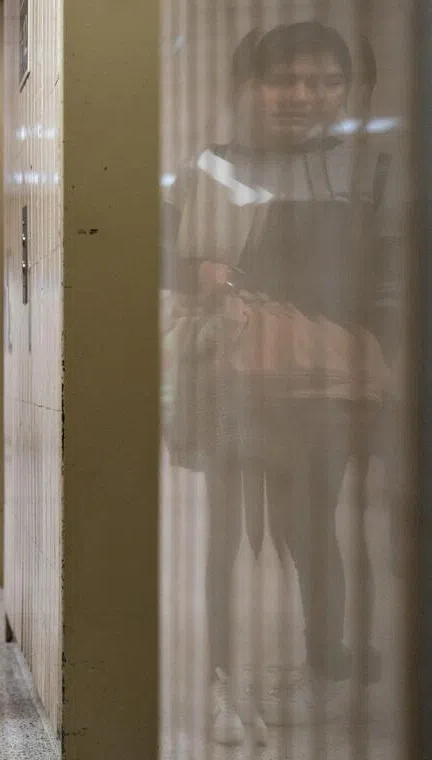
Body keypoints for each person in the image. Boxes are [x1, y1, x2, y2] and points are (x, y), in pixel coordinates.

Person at [167, 22, 394, 743]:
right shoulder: (212, 167)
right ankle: (223, 683)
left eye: (325, 82)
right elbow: (169, 261)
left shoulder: (367, 171)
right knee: (226, 535)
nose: (305, 96)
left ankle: (328, 670)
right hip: (232, 372)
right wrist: (204, 276)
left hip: (329, 383)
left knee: (312, 530)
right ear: (248, 87)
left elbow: (383, 282)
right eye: (285, 80)